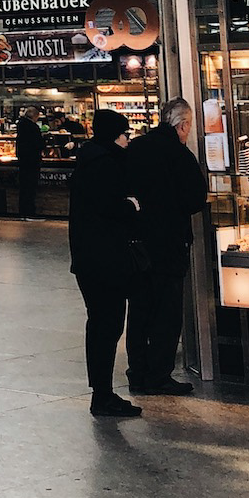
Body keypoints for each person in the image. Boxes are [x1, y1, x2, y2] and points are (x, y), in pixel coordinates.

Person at [124, 98, 208, 395]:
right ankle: (159, 374)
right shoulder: (180, 155)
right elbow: (195, 199)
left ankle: (136, 373)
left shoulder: (135, 147)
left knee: (139, 309)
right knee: (167, 312)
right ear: (183, 125)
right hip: (169, 244)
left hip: (138, 246)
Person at [68, 109, 144, 417]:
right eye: (125, 135)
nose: (128, 141)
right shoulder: (106, 165)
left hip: (88, 259)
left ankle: (101, 392)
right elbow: (111, 208)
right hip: (105, 260)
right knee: (107, 325)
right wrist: (132, 205)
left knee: (99, 324)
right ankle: (102, 395)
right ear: (115, 135)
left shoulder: (89, 159)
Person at [15, 106, 44, 220]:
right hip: (32, 161)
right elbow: (39, 144)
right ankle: (29, 212)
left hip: (22, 161)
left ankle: (22, 212)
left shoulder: (21, 126)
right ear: (34, 116)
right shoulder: (33, 127)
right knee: (30, 188)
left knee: (23, 188)